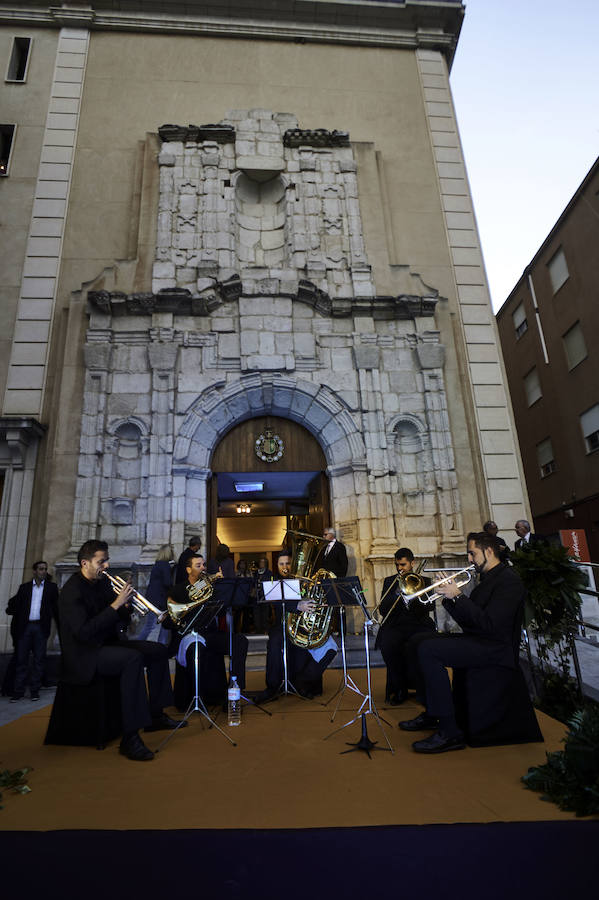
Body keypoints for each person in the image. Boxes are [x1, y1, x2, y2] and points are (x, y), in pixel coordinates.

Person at [399, 532, 527, 754]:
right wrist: (448, 597)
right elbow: (470, 621)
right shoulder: (487, 578)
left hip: (495, 648)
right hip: (478, 639)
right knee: (417, 640)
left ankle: (449, 732)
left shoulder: (509, 581)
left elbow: (490, 626)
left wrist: (458, 596)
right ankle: (432, 712)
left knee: (429, 650)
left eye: (472, 553)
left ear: (489, 551)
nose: (469, 559)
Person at [58, 540, 184, 762]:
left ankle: (156, 715)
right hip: (85, 653)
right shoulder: (71, 591)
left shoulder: (102, 584)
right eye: (101, 561)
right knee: (132, 659)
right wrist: (116, 605)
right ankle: (130, 737)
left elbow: (118, 619)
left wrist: (126, 607)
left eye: (106, 560)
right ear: (84, 562)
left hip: (108, 643)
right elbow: (83, 633)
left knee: (156, 650)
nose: (106, 566)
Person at [164, 554, 248, 708]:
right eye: (198, 565)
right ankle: (200, 697)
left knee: (240, 641)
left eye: (204, 564)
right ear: (188, 569)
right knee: (197, 649)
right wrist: (189, 611)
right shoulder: (178, 590)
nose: (203, 568)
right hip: (190, 635)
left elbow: (221, 613)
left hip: (210, 633)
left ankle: (234, 691)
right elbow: (169, 621)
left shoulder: (211, 587)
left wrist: (225, 593)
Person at [254, 551, 337, 703]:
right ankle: (272, 687)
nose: (285, 567)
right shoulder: (273, 581)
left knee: (328, 647)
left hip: (303, 625)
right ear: (276, 565)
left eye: (287, 563)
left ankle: (304, 682)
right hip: (282, 625)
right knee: (275, 642)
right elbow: (274, 602)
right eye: (281, 564)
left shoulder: (305, 581)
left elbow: (318, 601)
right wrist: (298, 605)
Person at [374, 548, 435, 705]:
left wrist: (417, 593)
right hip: (396, 624)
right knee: (387, 645)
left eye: (403, 564)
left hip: (418, 624)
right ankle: (400, 688)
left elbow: (430, 607)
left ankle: (423, 688)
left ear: (412, 563)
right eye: (397, 565)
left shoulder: (424, 581)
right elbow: (382, 609)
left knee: (421, 645)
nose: (400, 568)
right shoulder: (390, 581)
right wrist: (396, 593)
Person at [8, 561, 59, 702]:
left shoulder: (51, 588)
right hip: (25, 628)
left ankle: (34, 690)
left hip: (40, 628)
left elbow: (56, 608)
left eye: (45, 569)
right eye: (41, 569)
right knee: (21, 660)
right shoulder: (24, 588)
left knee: (39, 660)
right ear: (34, 571)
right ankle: (18, 691)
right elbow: (17, 607)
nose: (43, 571)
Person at [135, 544, 174, 642]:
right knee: (151, 625)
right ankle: (139, 643)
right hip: (159, 599)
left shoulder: (158, 564)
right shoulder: (165, 565)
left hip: (153, 597)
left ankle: (160, 644)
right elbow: (167, 582)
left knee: (153, 624)